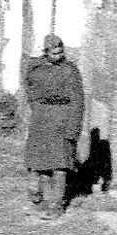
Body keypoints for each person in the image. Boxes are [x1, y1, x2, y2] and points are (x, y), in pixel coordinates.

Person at [23, 34, 86, 218]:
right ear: (45, 52)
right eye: (53, 53)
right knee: (38, 163)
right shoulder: (35, 67)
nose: (57, 56)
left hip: (62, 120)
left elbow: (78, 102)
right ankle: (38, 199)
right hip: (41, 120)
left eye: (60, 52)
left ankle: (56, 205)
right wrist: (36, 108)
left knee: (59, 166)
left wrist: (73, 129)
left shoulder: (70, 71)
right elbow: (29, 88)